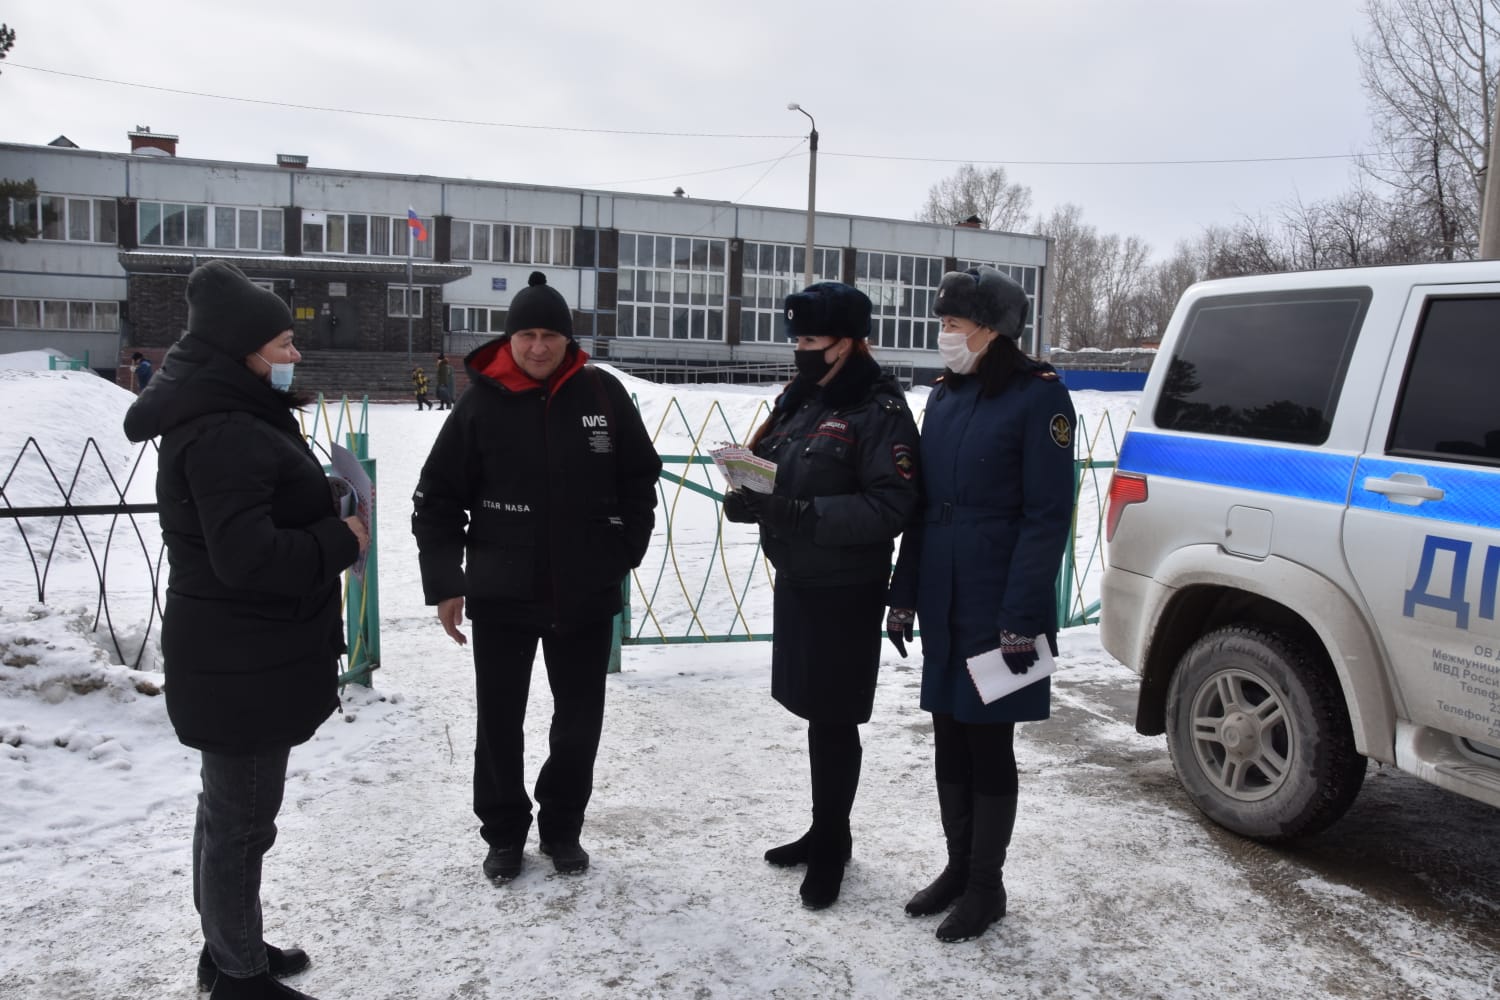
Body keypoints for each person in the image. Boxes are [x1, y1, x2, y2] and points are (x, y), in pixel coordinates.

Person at [122, 260, 369, 999]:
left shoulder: (235, 413)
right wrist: (342, 539)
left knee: (225, 811)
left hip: (245, 652)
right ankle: (239, 978)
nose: (296, 356)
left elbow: (251, 507)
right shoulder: (227, 425)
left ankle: (226, 946)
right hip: (244, 658)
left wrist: (319, 495)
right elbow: (247, 556)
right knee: (240, 824)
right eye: (285, 344)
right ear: (243, 352)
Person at [411, 270, 661, 882]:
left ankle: (562, 828)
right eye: (527, 334)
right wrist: (446, 582)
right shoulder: (479, 402)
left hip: (585, 589)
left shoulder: (601, 397)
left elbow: (640, 477)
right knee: (499, 721)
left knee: (579, 720)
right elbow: (437, 498)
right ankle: (503, 833)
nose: (539, 346)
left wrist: (624, 548)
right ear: (510, 338)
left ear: (568, 341)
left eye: (551, 334)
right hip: (502, 591)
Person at [886, 265, 1076, 943]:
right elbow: (923, 508)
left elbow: (1047, 516)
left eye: (953, 325)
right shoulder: (947, 398)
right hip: (943, 594)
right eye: (942, 324)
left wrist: (1022, 616)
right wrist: (904, 595)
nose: (943, 336)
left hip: (1000, 602)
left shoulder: (1039, 399)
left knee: (988, 744)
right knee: (947, 734)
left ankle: (986, 886)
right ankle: (958, 867)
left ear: (992, 330)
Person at [722, 281, 921, 910]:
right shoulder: (800, 400)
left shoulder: (879, 410)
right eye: (798, 339)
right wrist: (749, 494)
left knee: (835, 719)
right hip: (801, 579)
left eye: (812, 340)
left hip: (846, 587)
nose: (801, 351)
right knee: (815, 712)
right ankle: (823, 825)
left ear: (849, 343)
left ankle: (834, 843)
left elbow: (890, 505)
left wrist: (795, 513)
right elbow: (780, 468)